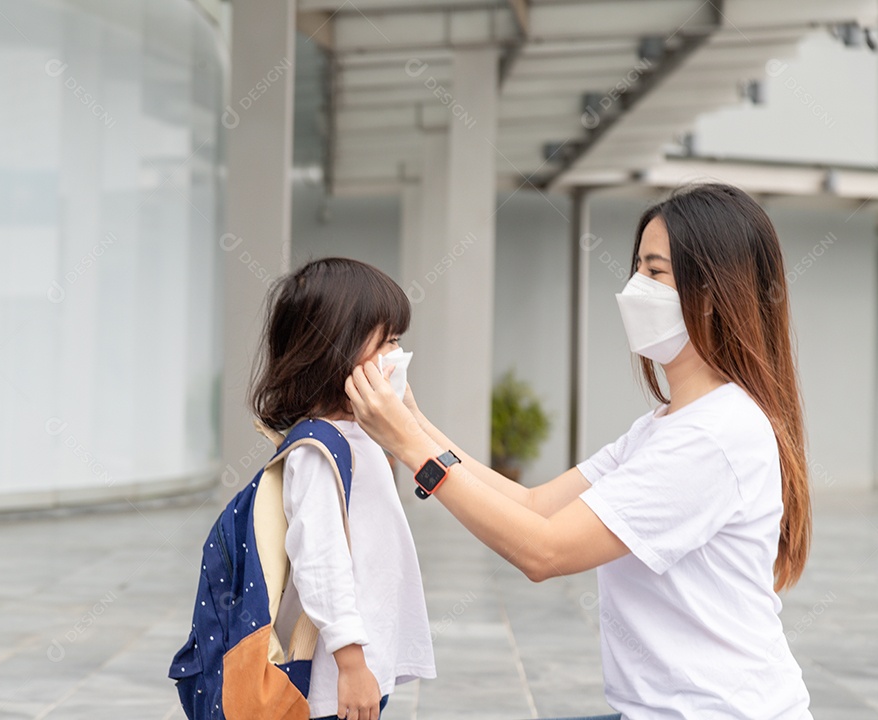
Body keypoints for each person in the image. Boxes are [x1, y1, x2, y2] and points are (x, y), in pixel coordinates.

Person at [345, 183, 814, 719]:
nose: (636, 286)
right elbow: (534, 505)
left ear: (713, 293)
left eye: (656, 272)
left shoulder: (713, 436)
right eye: (637, 267)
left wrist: (409, 448)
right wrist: (411, 420)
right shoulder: (665, 426)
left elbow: (545, 551)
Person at [250, 257, 436, 720]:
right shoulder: (318, 448)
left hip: (361, 668)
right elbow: (321, 561)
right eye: (389, 340)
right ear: (335, 348)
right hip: (337, 680)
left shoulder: (359, 434)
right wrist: (352, 665)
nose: (398, 354)